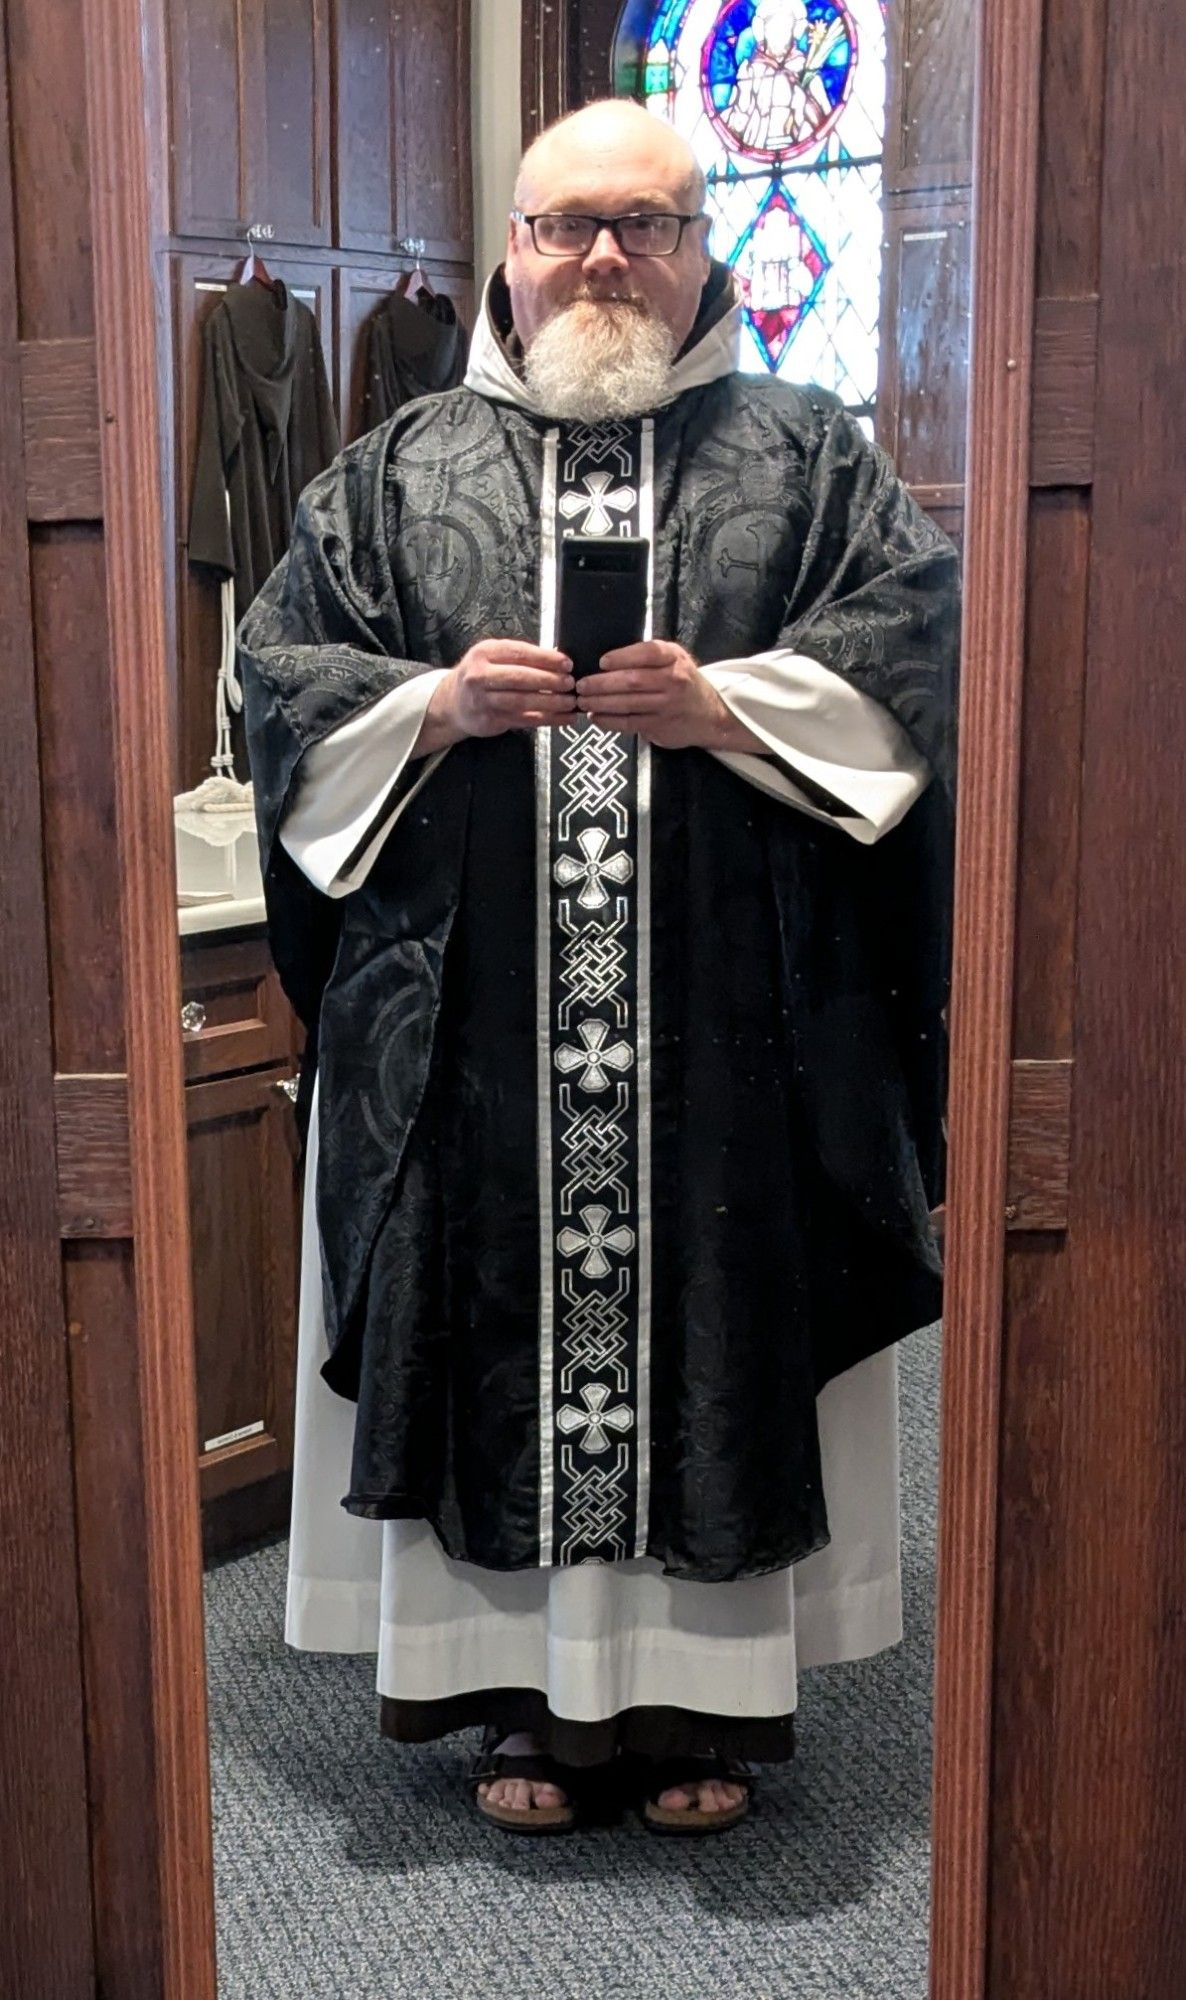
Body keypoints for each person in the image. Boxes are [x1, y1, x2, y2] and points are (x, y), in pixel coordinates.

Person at [239, 97, 958, 1836]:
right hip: (470, 1028)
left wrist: (729, 709)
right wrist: (433, 703)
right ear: (512, 241)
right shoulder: (397, 470)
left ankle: (703, 1716)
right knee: (479, 1318)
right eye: (567, 224)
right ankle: (517, 1713)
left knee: (716, 1330)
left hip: (733, 1026)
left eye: (644, 221)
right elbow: (274, 682)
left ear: (703, 242)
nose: (603, 257)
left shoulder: (809, 454)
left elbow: (920, 651)